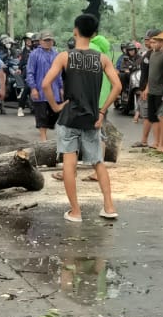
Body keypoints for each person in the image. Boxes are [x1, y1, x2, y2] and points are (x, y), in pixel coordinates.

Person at [41, 13, 121, 223]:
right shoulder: (102, 58)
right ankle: (109, 206)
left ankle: (75, 211)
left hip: (69, 117)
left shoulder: (65, 57)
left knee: (69, 163)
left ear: (75, 31)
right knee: (98, 162)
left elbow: (45, 84)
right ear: (94, 33)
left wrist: (56, 106)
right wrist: (102, 111)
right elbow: (118, 86)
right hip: (92, 118)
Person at [24, 31, 60, 142]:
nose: (48, 42)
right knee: (41, 115)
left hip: (54, 90)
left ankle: (48, 129)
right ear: (40, 41)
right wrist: (33, 88)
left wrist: (61, 87)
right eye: (46, 40)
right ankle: (43, 137)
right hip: (40, 90)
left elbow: (59, 73)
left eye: (50, 40)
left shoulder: (56, 54)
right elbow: (30, 72)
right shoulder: (34, 54)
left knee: (56, 113)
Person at [139, 29, 163, 148]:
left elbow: (160, 74)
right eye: (150, 41)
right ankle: (154, 142)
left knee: (159, 117)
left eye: (153, 41)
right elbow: (149, 73)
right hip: (149, 89)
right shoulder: (151, 54)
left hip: (158, 90)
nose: (150, 43)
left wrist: (147, 88)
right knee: (151, 116)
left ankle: (162, 142)